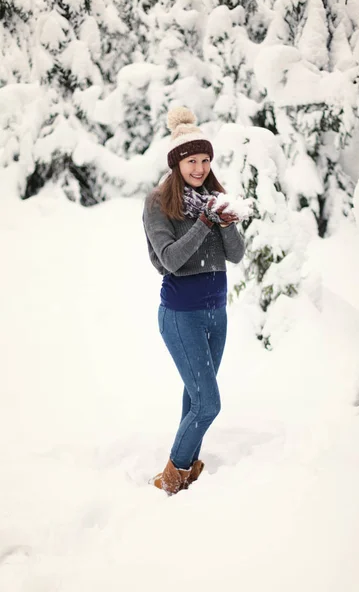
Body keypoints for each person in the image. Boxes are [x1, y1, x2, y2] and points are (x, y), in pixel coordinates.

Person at [142, 106, 245, 495]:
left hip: (216, 313)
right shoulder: (159, 204)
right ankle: (171, 477)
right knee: (208, 404)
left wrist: (226, 221)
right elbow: (169, 259)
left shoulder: (213, 197)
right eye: (191, 161)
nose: (199, 168)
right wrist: (204, 223)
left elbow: (235, 255)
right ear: (177, 164)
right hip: (181, 315)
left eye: (204, 160)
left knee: (195, 398)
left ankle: (189, 470)